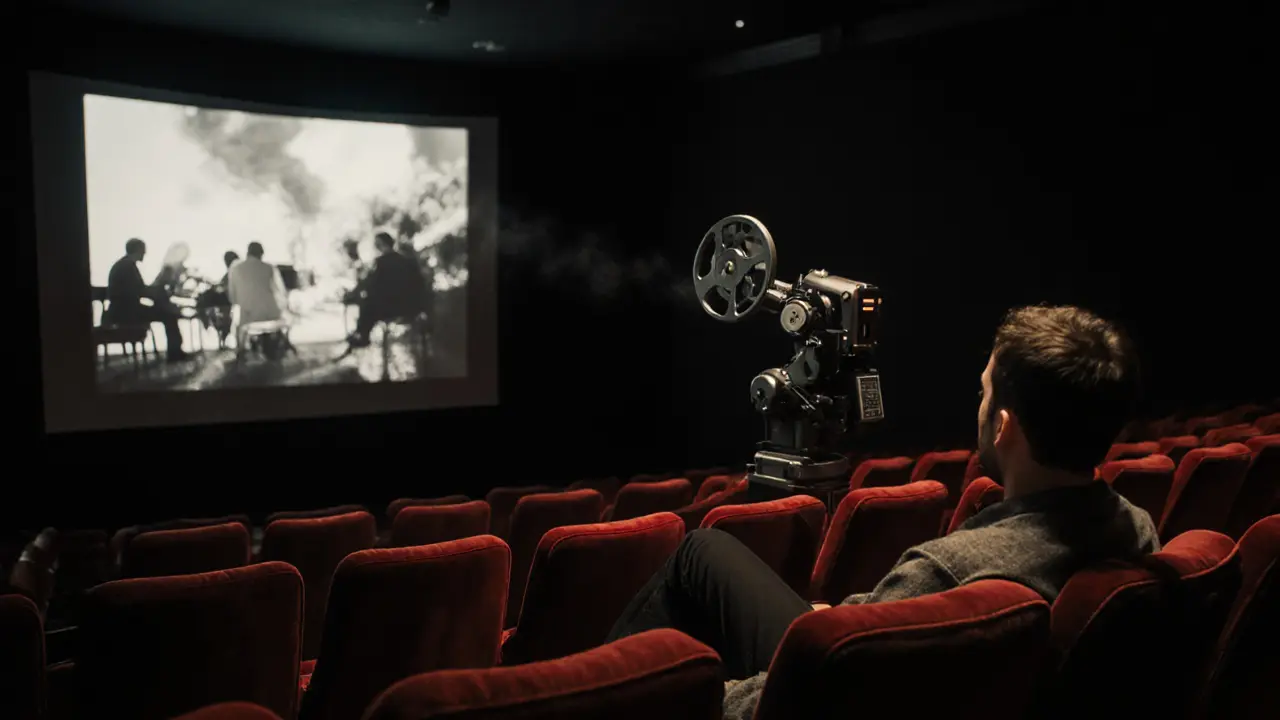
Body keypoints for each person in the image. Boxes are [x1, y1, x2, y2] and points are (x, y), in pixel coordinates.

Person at [605, 305, 1160, 720]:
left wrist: (694, 695)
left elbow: (796, 693)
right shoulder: (1135, 527)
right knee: (708, 553)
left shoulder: (948, 571)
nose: (981, 406)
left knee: (695, 560)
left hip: (834, 697)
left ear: (1004, 426)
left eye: (985, 392)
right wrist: (847, 613)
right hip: (901, 678)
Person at [105, 238, 187, 362]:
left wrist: (156, 291)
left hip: (122, 310)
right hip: (126, 312)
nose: (145, 254)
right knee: (169, 315)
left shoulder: (124, 265)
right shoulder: (128, 267)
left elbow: (138, 290)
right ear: (138, 250)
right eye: (143, 251)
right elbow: (141, 291)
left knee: (167, 312)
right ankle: (175, 354)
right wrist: (159, 290)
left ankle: (176, 351)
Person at [344, 232, 428, 349]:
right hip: (411, 308)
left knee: (368, 302)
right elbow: (421, 285)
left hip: (390, 310)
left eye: (376, 244)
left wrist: (351, 296)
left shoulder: (380, 263)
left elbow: (369, 285)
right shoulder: (408, 261)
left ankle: (363, 335)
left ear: (380, 245)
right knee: (371, 299)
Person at [227, 241, 287, 334]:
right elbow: (280, 292)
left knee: (239, 326)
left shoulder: (235, 268)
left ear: (247, 253)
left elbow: (233, 297)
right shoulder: (269, 268)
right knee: (282, 323)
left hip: (247, 315)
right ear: (261, 254)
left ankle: (241, 346)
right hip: (270, 313)